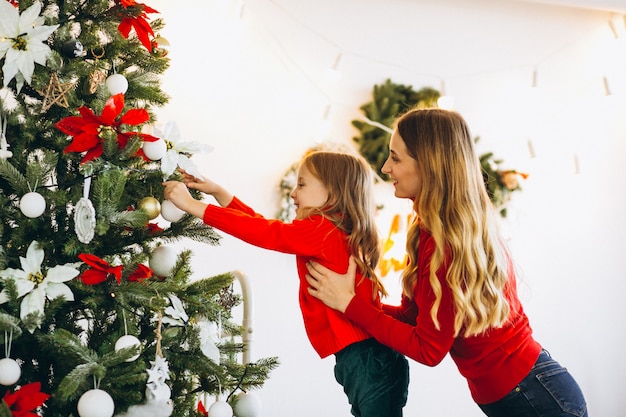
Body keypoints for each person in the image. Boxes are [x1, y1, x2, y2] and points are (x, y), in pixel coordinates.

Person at [305, 108, 588, 417]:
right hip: (524, 395)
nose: (386, 168)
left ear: (429, 165)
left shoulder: (450, 246)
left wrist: (350, 304)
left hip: (536, 399)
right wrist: (353, 303)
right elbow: (414, 318)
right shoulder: (430, 235)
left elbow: (427, 349)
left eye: (396, 158)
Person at [163, 151, 409, 417]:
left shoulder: (323, 231)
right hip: (366, 359)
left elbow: (267, 233)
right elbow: (264, 225)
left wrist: (193, 206)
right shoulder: (328, 230)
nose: (293, 194)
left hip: (368, 360)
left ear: (334, 193)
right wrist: (220, 193)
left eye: (302, 185)